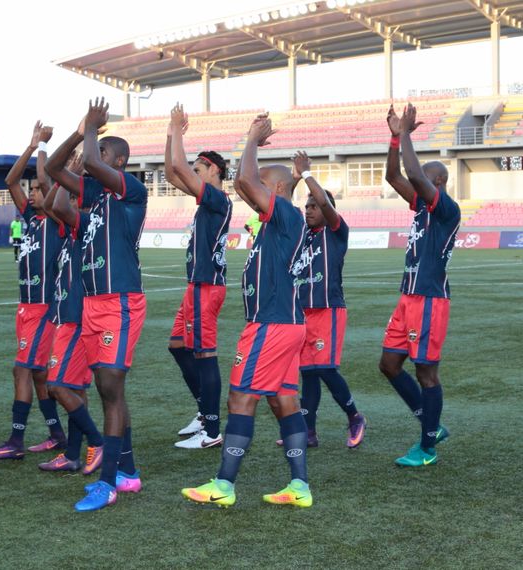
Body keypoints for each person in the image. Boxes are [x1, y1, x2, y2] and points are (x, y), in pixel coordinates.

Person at [182, 113, 313, 509]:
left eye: (261, 189)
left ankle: (223, 484)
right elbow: (246, 185)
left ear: (275, 188)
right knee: (284, 401)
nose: (247, 196)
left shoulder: (286, 214)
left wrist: (252, 139)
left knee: (240, 398)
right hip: (286, 324)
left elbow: (243, 181)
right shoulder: (277, 223)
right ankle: (300, 487)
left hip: (271, 325)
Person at [46, 98, 147, 512]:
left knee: (109, 387)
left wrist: (91, 129)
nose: (95, 158)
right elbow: (55, 179)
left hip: (120, 303)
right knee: (107, 390)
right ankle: (128, 471)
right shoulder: (95, 205)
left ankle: (107, 482)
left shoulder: (131, 191)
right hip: (90, 306)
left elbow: (88, 160)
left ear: (119, 161)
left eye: (105, 154)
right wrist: (77, 135)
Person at [380, 103, 460, 467]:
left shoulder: (446, 209)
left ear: (437, 183)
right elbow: (393, 174)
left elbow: (412, 171)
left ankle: (427, 447)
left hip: (430, 299)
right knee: (389, 365)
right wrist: (395, 137)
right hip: (408, 298)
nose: (416, 184)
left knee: (426, 372)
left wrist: (409, 133)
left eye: (424, 181)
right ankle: (431, 424)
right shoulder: (421, 208)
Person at [0, 121, 67, 460]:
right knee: (36, 371)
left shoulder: (59, 223)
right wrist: (31, 146)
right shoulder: (30, 220)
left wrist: (43, 149)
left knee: (24, 369)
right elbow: (10, 180)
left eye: (38, 190)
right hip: (26, 307)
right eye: (31, 191)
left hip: (44, 308)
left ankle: (15, 442)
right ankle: (56, 433)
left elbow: (46, 180)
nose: (32, 193)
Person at [282, 151, 366, 449]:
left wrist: (306, 174)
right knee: (308, 373)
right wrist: (292, 181)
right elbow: (283, 208)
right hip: (304, 312)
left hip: (329, 309)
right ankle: (309, 432)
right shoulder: (303, 234)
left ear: (327, 208)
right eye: (306, 206)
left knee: (326, 369)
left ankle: (354, 416)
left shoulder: (335, 231)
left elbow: (325, 203)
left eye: (314, 205)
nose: (308, 210)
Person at [164, 103, 232, 449]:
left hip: (208, 287)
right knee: (178, 346)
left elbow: (178, 167)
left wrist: (177, 130)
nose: (193, 174)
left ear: (213, 170)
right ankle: (205, 412)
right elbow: (170, 172)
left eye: (198, 169)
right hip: (196, 286)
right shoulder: (207, 201)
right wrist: (169, 132)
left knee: (205, 354)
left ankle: (212, 430)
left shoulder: (218, 198)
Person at [38, 154, 105, 475]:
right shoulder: (71, 230)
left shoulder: (86, 226)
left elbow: (58, 206)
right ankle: (74, 455)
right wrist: (67, 177)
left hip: (76, 319)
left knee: (58, 386)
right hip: (68, 316)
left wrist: (72, 173)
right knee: (74, 389)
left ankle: (97, 441)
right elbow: (53, 204)